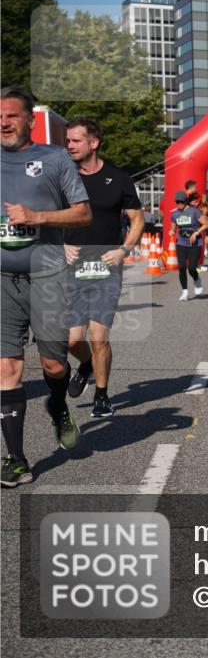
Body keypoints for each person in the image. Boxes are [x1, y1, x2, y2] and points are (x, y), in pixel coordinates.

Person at [1, 86, 92, 487]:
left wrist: (36, 216)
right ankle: (16, 459)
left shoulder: (54, 158)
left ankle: (57, 407)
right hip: (3, 279)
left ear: (29, 120)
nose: (4, 123)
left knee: (54, 365)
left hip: (48, 275)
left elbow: (83, 213)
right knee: (7, 367)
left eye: (12, 116)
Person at [62, 117, 143, 418]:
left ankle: (102, 395)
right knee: (72, 340)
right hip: (73, 266)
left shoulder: (119, 178)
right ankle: (84, 365)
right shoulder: (64, 177)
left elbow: (137, 220)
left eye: (75, 140)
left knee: (99, 336)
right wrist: (61, 243)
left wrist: (124, 251)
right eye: (67, 140)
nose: (69, 145)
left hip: (106, 266)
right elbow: (48, 218)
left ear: (93, 143)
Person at [168, 190, 208, 300]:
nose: (179, 204)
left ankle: (197, 280)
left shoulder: (194, 211)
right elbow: (173, 227)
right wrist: (171, 231)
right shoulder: (175, 214)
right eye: (177, 202)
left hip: (195, 243)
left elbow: (207, 224)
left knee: (191, 268)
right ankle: (185, 292)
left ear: (185, 201)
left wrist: (196, 233)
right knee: (181, 267)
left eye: (181, 202)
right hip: (181, 243)